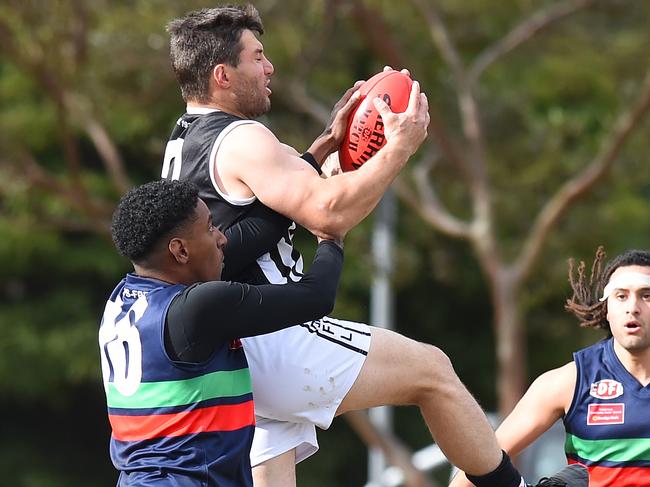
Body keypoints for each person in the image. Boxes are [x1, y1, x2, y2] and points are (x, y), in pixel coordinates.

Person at [162, 5, 587, 487]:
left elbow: (253, 220)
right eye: (257, 56)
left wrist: (324, 145)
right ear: (223, 74)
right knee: (433, 372)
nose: (269, 67)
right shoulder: (243, 137)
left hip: (227, 344)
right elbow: (329, 213)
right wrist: (398, 148)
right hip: (270, 336)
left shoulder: (185, 137)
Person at [98, 179, 346, 486]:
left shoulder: (121, 299)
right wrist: (331, 237)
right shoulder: (198, 309)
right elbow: (317, 297)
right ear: (180, 250)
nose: (222, 239)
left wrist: (314, 166)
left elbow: (257, 233)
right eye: (210, 228)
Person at [450, 247, 650, 487]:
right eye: (621, 296)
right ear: (606, 309)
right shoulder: (570, 382)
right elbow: (472, 474)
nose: (633, 307)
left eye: (646, 295)